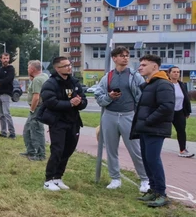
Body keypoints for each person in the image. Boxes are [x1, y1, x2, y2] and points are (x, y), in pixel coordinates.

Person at [91, 47, 150, 192]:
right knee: (111, 149)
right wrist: (109, 97)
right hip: (110, 115)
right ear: (114, 58)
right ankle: (115, 178)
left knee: (135, 150)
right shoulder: (108, 77)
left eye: (127, 55)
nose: (125, 58)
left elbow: (142, 96)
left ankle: (145, 179)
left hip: (128, 115)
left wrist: (139, 114)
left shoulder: (135, 76)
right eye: (121, 56)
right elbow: (98, 96)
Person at [130, 54, 175, 208]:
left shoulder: (163, 84)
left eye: (144, 65)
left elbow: (167, 107)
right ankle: (153, 190)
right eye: (140, 64)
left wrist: (148, 121)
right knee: (148, 160)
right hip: (146, 129)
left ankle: (161, 193)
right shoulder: (150, 83)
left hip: (155, 129)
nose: (140, 67)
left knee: (153, 160)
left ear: (154, 66)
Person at [39, 56, 87, 191]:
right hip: (57, 122)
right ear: (57, 68)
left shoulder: (74, 82)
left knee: (68, 150)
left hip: (73, 122)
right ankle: (48, 180)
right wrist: (70, 103)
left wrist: (79, 103)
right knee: (57, 150)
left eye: (69, 65)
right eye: (65, 66)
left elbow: (83, 100)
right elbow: (50, 102)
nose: (69, 67)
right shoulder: (50, 83)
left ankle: (58, 177)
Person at [21, 60, 48, 161]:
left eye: (28, 68)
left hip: (37, 108)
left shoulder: (37, 80)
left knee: (36, 130)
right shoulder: (44, 76)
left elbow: (36, 97)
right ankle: (31, 151)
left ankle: (40, 154)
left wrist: (32, 109)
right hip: (39, 108)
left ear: (32, 69)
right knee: (27, 129)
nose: (27, 70)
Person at [167, 67, 193, 157]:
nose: (176, 74)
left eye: (178, 72)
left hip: (180, 112)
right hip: (167, 112)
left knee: (181, 131)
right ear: (169, 73)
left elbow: (186, 99)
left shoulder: (182, 85)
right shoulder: (165, 84)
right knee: (163, 131)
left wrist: (187, 111)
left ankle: (182, 150)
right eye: (174, 72)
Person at [0, 52, 16, 138]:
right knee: (1, 114)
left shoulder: (11, 69)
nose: (6, 60)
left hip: (6, 94)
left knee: (6, 113)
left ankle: (12, 132)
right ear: (1, 59)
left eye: (7, 58)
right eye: (4, 58)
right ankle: (3, 132)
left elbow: (9, 79)